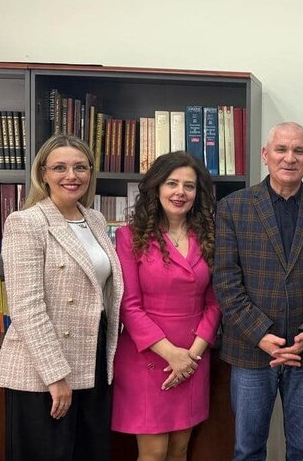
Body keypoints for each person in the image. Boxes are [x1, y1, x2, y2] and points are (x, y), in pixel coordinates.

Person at [214, 121, 303, 461]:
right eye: (281, 149)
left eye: (298, 151)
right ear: (265, 154)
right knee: (248, 449)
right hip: (251, 350)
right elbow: (226, 280)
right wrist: (260, 335)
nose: (290, 158)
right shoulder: (233, 207)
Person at [0, 134, 123, 461]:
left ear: (90, 172)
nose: (71, 176)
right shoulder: (26, 223)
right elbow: (27, 309)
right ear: (43, 173)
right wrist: (55, 376)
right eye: (60, 167)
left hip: (92, 357)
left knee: (88, 452)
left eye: (80, 167)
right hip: (43, 369)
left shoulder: (94, 219)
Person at [111, 151, 221, 461]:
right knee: (153, 453)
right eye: (172, 183)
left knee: (179, 450)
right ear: (157, 187)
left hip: (193, 355)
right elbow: (129, 306)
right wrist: (172, 355)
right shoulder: (129, 237)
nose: (180, 192)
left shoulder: (210, 237)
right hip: (147, 355)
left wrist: (191, 357)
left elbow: (215, 303)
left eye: (189, 186)